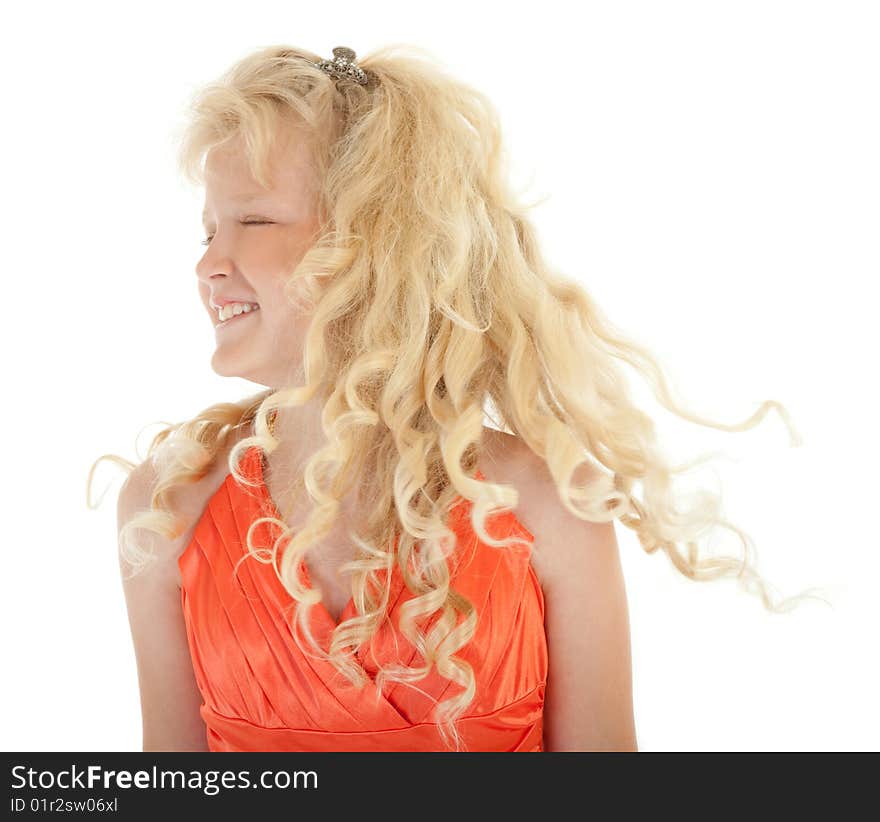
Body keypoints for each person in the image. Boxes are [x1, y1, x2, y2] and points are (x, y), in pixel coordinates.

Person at [93, 44, 812, 752]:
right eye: (207, 229)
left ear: (379, 244)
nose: (207, 263)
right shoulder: (167, 508)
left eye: (252, 221)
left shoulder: (549, 503)